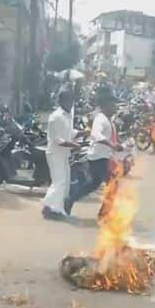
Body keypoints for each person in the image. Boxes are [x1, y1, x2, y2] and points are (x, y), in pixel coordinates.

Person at [64, 88, 123, 216]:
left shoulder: (109, 120)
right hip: (98, 158)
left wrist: (119, 144)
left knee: (93, 185)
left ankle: (70, 200)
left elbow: (110, 137)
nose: (116, 107)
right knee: (112, 184)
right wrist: (111, 144)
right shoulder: (100, 119)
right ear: (105, 105)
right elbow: (96, 134)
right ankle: (104, 214)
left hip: (103, 157)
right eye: (113, 104)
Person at [41, 89, 81, 220]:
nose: (71, 103)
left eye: (72, 101)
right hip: (55, 154)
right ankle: (51, 209)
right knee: (59, 182)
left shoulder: (68, 115)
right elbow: (56, 140)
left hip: (64, 154)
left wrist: (81, 133)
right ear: (62, 101)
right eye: (68, 100)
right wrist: (73, 145)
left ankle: (53, 208)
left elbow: (68, 133)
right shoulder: (56, 116)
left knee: (65, 182)